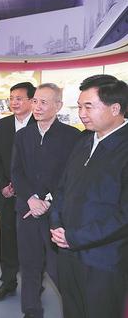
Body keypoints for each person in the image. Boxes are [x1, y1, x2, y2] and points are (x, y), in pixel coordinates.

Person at [50, 75, 128, 318]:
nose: (82, 113)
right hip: (68, 252)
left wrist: (75, 237)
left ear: (115, 108)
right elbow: (62, 188)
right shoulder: (84, 141)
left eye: (88, 106)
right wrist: (57, 225)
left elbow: (124, 216)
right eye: (80, 106)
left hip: (104, 262)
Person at [11, 83, 80, 318]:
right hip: (28, 210)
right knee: (29, 263)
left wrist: (49, 202)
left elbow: (72, 176)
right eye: (35, 101)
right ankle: (31, 309)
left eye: (43, 102)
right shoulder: (22, 136)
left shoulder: (73, 137)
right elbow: (16, 171)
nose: (37, 107)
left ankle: (75, 310)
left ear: (58, 106)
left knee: (58, 268)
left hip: (57, 213)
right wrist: (30, 198)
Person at [0, 82, 36, 301]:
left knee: (31, 242)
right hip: (7, 193)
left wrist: (25, 187)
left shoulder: (41, 124)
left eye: (19, 98)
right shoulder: (2, 125)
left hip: (32, 197)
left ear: (31, 101)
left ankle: (33, 287)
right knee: (7, 239)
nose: (14, 102)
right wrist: (2, 185)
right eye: (11, 98)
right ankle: (7, 282)